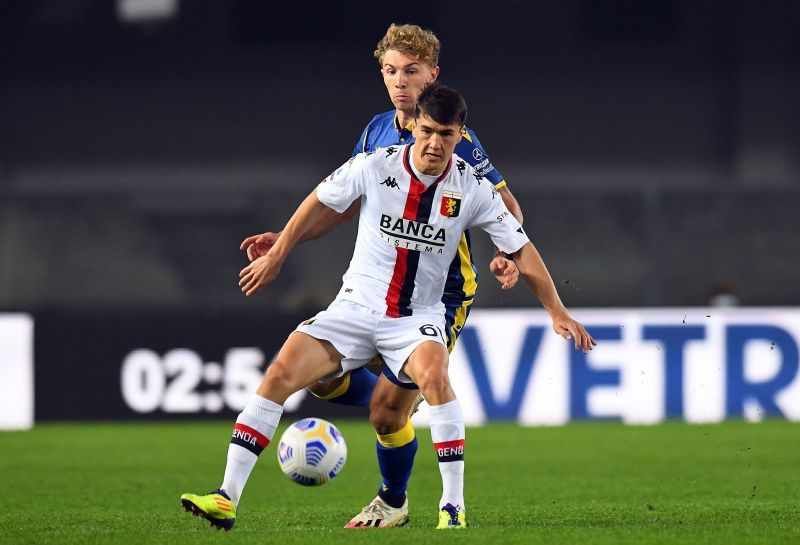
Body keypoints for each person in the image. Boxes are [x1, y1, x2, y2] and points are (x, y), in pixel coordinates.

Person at [180, 84, 596, 531]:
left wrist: (557, 310)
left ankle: (452, 507)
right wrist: (279, 252)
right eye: (429, 131)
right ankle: (226, 498)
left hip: (417, 317)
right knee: (282, 373)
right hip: (355, 307)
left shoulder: (472, 188)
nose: (436, 143)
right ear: (415, 126)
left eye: (448, 135)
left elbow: (521, 247)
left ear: (460, 136)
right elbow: (318, 201)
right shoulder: (375, 166)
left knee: (432, 379)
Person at [239, 23, 526, 528]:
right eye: (391, 71)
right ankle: (395, 423)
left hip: (439, 294)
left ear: (432, 75)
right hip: (374, 288)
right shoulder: (375, 131)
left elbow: (505, 206)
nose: (400, 82)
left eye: (411, 71)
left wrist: (506, 253)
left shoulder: (455, 137)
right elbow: (344, 204)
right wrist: (286, 238)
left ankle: (397, 498)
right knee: (330, 382)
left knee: (386, 415)